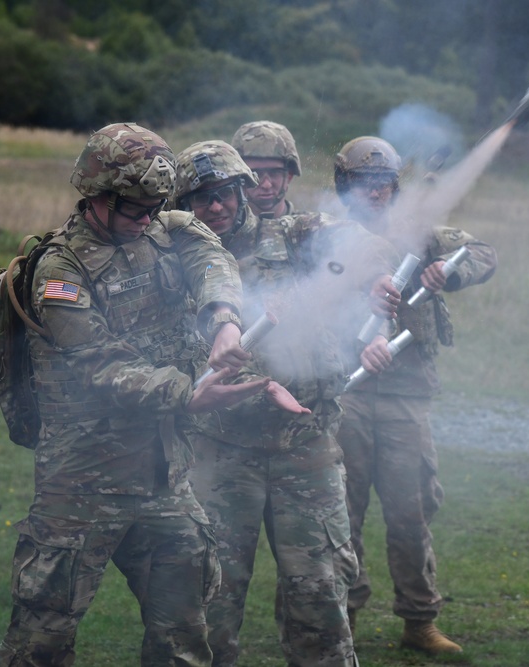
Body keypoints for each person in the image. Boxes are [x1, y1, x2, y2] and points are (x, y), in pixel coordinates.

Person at [0, 122, 294, 667]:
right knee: (41, 638)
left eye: (155, 205)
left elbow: (213, 261)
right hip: (81, 485)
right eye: (135, 209)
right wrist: (188, 395)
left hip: (163, 478)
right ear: (98, 198)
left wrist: (224, 320)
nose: (147, 218)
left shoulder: (168, 227)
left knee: (184, 636)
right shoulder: (60, 270)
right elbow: (98, 366)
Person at [175, 137, 399, 667]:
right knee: (207, 598)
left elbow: (360, 244)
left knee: (321, 593)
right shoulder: (173, 255)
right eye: (201, 196)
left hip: (305, 446)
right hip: (221, 450)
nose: (216, 206)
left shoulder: (295, 232)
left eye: (226, 192)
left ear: (242, 191)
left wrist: (379, 280)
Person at [334, 136, 497, 654]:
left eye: (383, 184)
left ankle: (419, 622)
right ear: (345, 186)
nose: (375, 194)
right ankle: (344, 618)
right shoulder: (325, 236)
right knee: (343, 512)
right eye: (364, 184)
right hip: (346, 392)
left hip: (405, 395)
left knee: (411, 510)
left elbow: (483, 253)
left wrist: (447, 272)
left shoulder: (419, 232)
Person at [230, 120, 302, 219]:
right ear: (239, 178)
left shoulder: (312, 229)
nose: (266, 185)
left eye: (275, 173)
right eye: (255, 174)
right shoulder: (218, 231)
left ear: (289, 176)